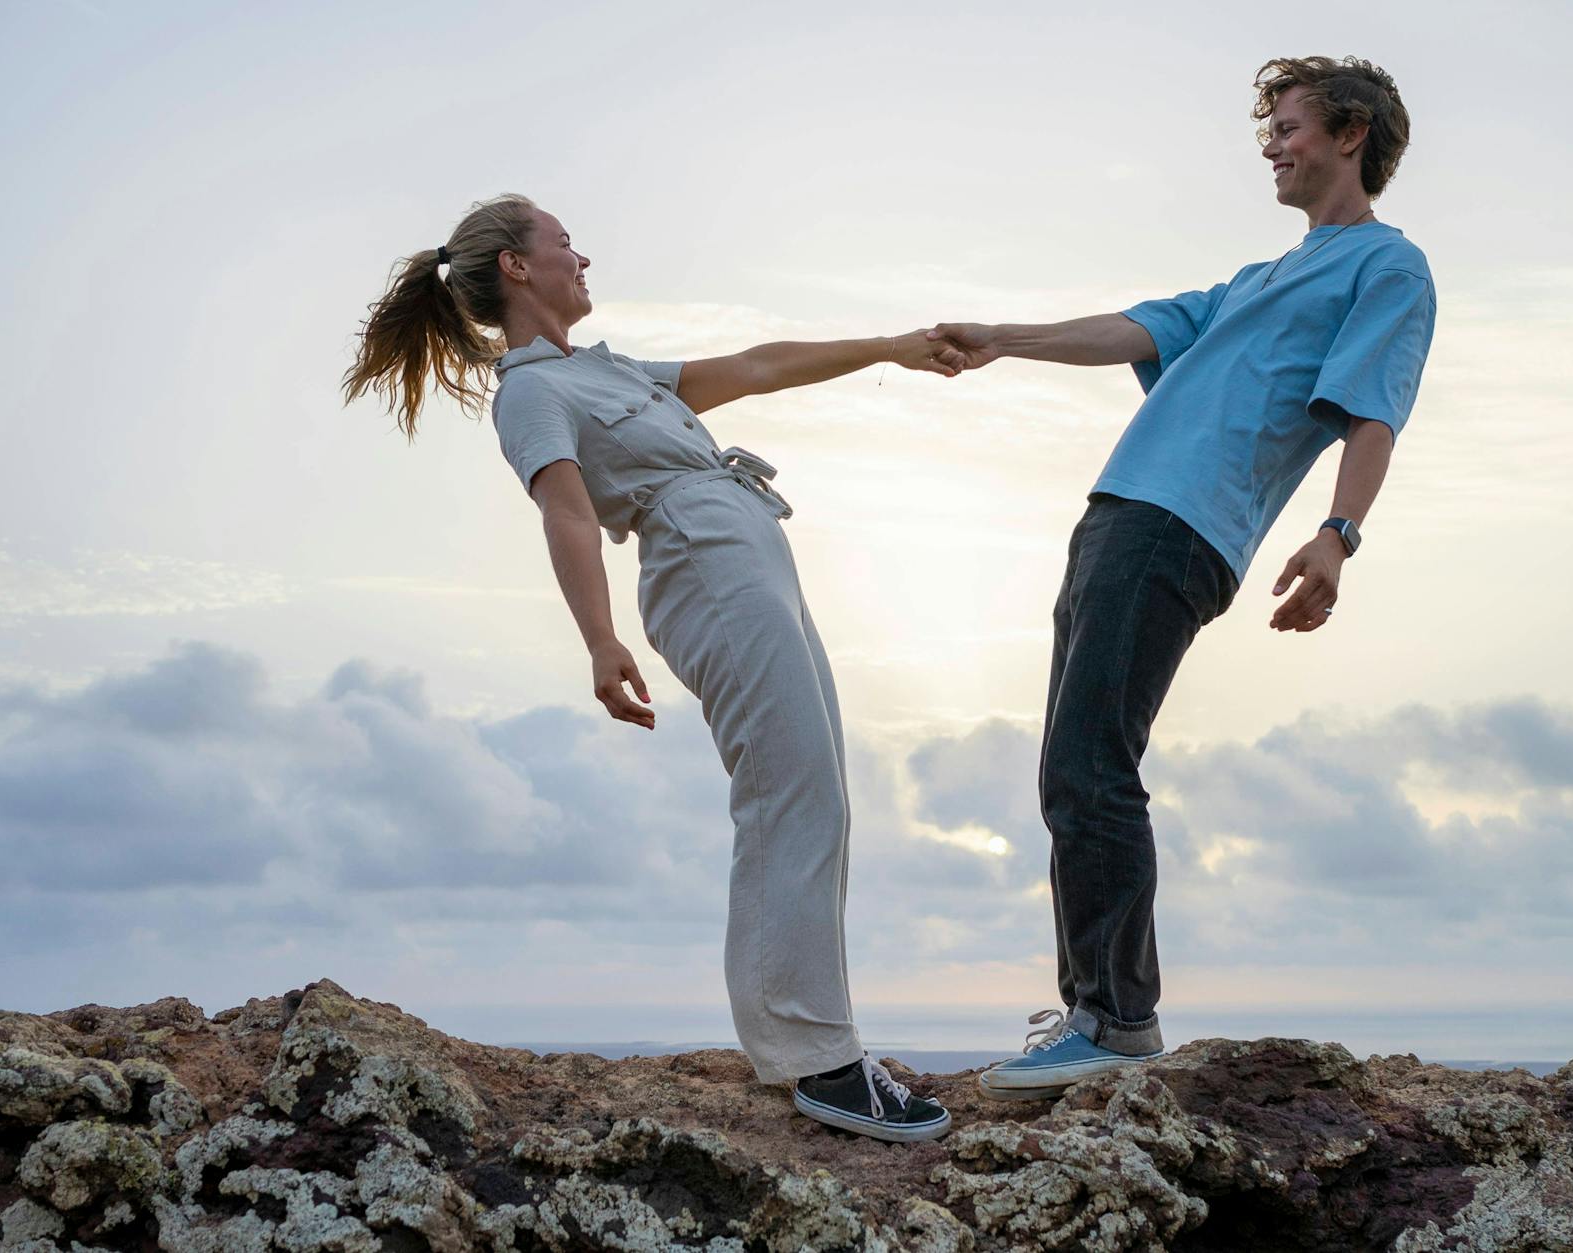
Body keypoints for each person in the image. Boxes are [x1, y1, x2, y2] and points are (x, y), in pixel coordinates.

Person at [341, 193, 955, 1141]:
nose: (581, 255)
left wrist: (886, 346)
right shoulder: (532, 391)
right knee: (788, 789)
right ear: (515, 264)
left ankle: (814, 1043)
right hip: (701, 558)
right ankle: (814, 1059)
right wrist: (599, 638)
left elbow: (752, 367)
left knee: (820, 788)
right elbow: (569, 510)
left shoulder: (607, 370)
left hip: (750, 549)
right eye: (563, 241)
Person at [926, 56, 1438, 1101]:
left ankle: (1117, 1022)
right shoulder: (1252, 284)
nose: (1270, 144)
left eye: (1288, 126)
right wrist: (999, 342)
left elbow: (1375, 407)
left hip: (1176, 529)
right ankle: (1088, 1005)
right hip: (1117, 517)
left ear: (1349, 133)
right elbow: (1135, 326)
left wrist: (1337, 533)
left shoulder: (1385, 268)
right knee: (1069, 765)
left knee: (1090, 763)